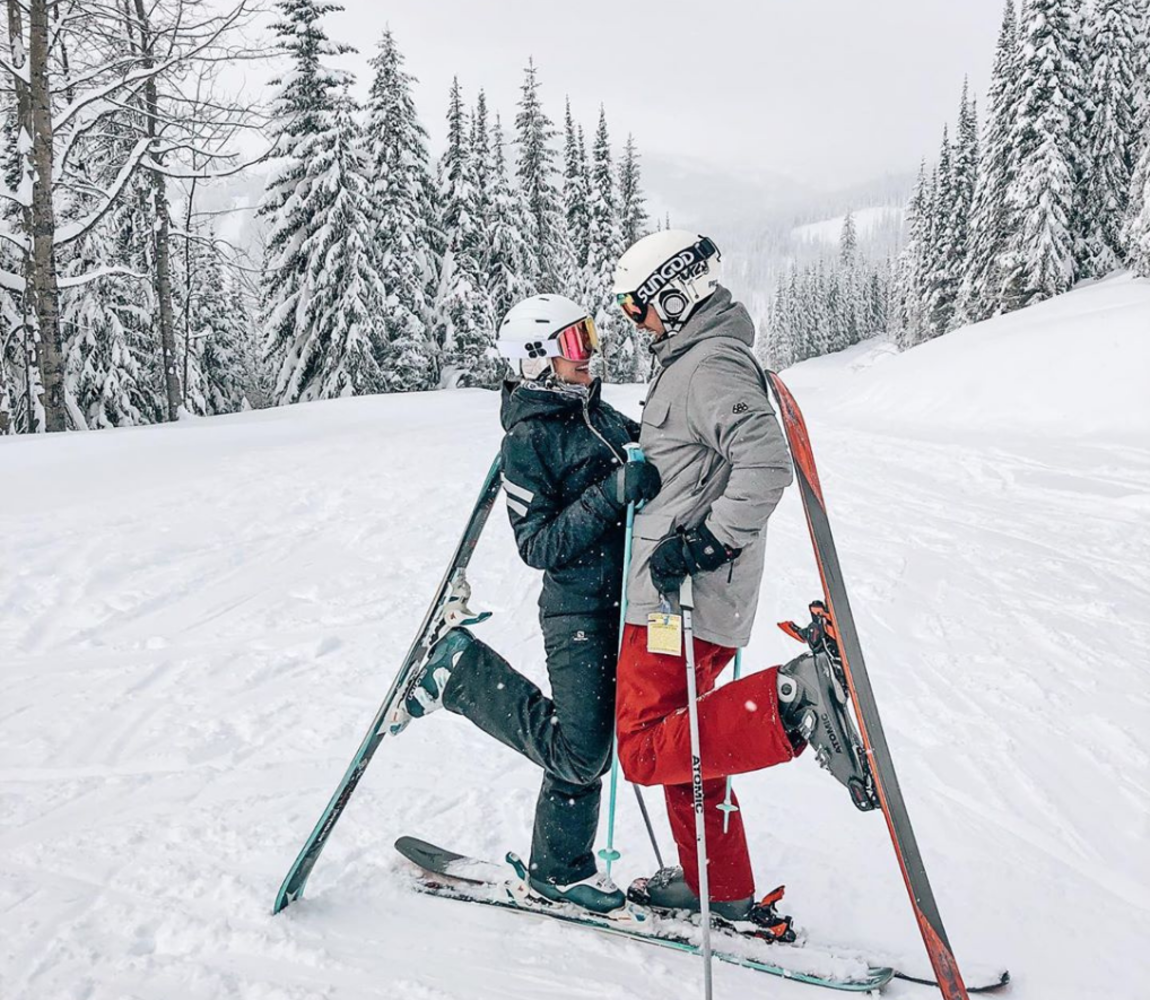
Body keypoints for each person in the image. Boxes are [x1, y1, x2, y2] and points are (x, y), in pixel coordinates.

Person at [610, 230, 857, 927]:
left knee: (643, 747)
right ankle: (720, 885)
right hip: (682, 598)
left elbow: (767, 464)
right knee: (693, 741)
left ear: (676, 294)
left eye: (641, 307)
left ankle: (788, 700)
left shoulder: (709, 363)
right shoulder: (688, 361)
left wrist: (705, 542)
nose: (638, 322)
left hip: (675, 602)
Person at [387, 294, 660, 915]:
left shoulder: (598, 415)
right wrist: (613, 493)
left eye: (588, 337)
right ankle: (461, 672)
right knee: (582, 751)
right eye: (573, 345)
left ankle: (560, 870)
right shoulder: (528, 439)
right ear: (535, 359)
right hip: (577, 611)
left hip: (622, 602)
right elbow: (537, 543)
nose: (588, 354)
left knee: (588, 742)